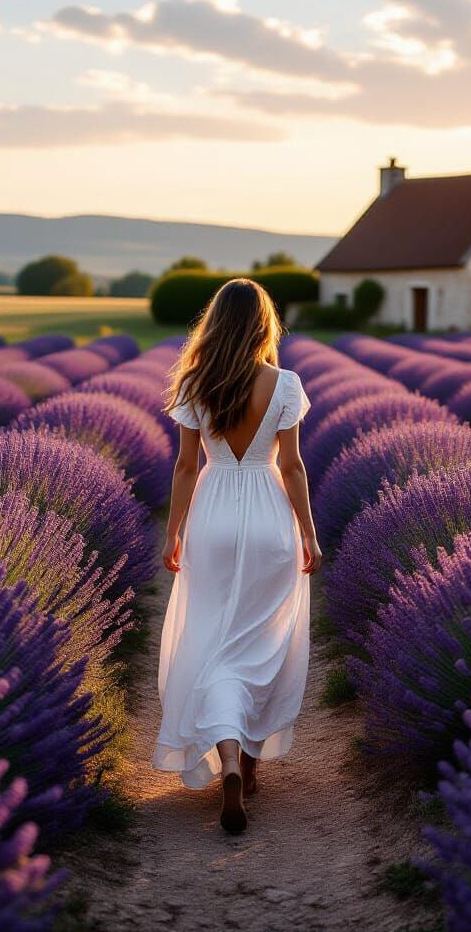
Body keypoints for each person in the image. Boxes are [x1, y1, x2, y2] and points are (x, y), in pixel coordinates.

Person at [152, 277, 322, 834]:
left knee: (212, 639)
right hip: (270, 517)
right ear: (263, 325)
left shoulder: (196, 383)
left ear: (216, 322)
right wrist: (309, 534)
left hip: (215, 515)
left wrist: (174, 531)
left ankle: (225, 758)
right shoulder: (285, 383)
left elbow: (184, 468)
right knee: (260, 639)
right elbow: (293, 467)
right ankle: (248, 766)